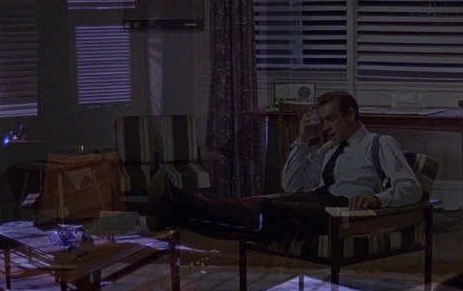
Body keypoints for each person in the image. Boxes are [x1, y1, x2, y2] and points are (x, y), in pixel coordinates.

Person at [146, 90, 422, 241]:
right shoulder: (328, 148)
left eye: (331, 119)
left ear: (351, 114)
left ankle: (180, 202)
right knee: (258, 206)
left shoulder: (379, 143)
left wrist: (377, 199)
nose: (326, 127)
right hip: (315, 199)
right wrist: (302, 139)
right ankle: (177, 212)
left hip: (341, 210)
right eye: (323, 121)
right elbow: (291, 185)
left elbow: (411, 188)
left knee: (269, 211)